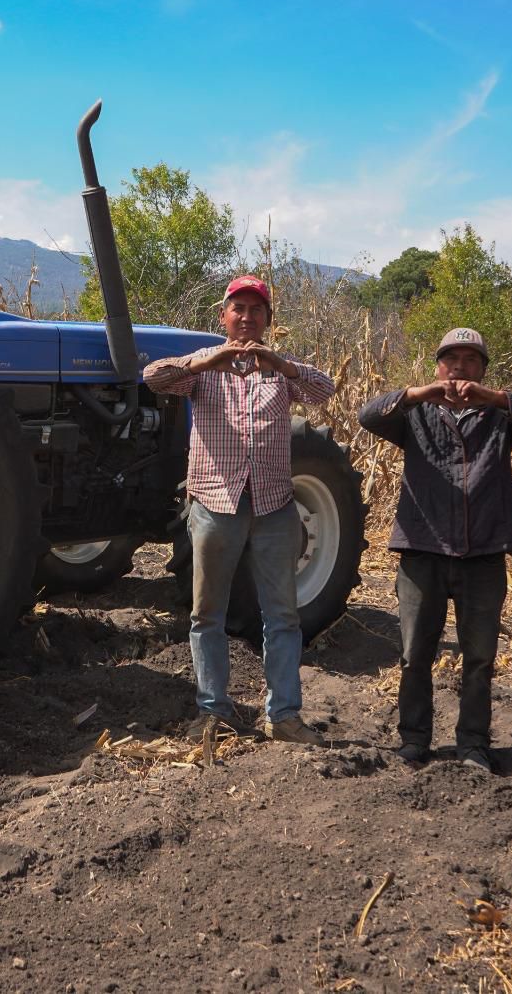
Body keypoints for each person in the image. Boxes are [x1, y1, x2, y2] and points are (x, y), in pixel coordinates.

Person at [143, 276, 337, 744]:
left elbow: (325, 390)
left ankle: (284, 716)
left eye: (256, 310)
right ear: (223, 317)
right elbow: (152, 377)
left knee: (282, 615)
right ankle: (214, 711)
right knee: (207, 614)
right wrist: (206, 358)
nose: (247, 317)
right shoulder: (203, 370)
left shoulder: (280, 373)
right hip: (215, 504)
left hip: (273, 506)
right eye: (239, 309)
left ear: (269, 320)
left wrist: (283, 366)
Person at [357, 327, 512, 774]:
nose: (460, 368)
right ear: (437, 367)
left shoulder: (500, 420)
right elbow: (367, 416)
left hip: (483, 554)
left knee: (480, 657)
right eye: (451, 360)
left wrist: (495, 398)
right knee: (414, 655)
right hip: (422, 551)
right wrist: (418, 393)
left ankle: (472, 745)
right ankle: (414, 742)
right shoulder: (414, 416)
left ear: (483, 371)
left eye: (470, 360)